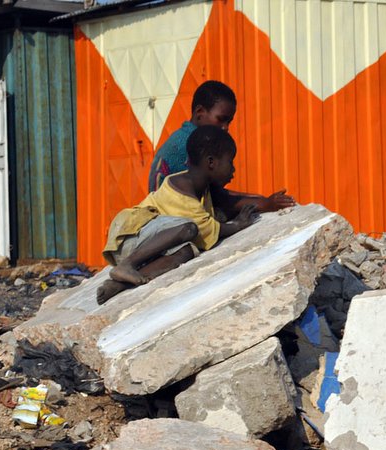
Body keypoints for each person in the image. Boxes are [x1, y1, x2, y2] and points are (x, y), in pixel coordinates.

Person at [98, 125, 259, 305]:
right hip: (130, 233)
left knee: (187, 251)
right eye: (230, 162)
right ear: (211, 162)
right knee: (188, 229)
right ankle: (128, 264)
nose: (233, 170)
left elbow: (217, 211)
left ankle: (120, 283)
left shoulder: (201, 187)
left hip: (144, 243)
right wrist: (237, 225)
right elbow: (206, 229)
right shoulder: (182, 190)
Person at [148, 80, 295, 217]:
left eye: (228, 122)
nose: (225, 128)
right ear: (200, 113)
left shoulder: (185, 137)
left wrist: (262, 200)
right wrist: (265, 203)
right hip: (171, 218)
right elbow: (217, 198)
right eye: (221, 119)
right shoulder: (189, 145)